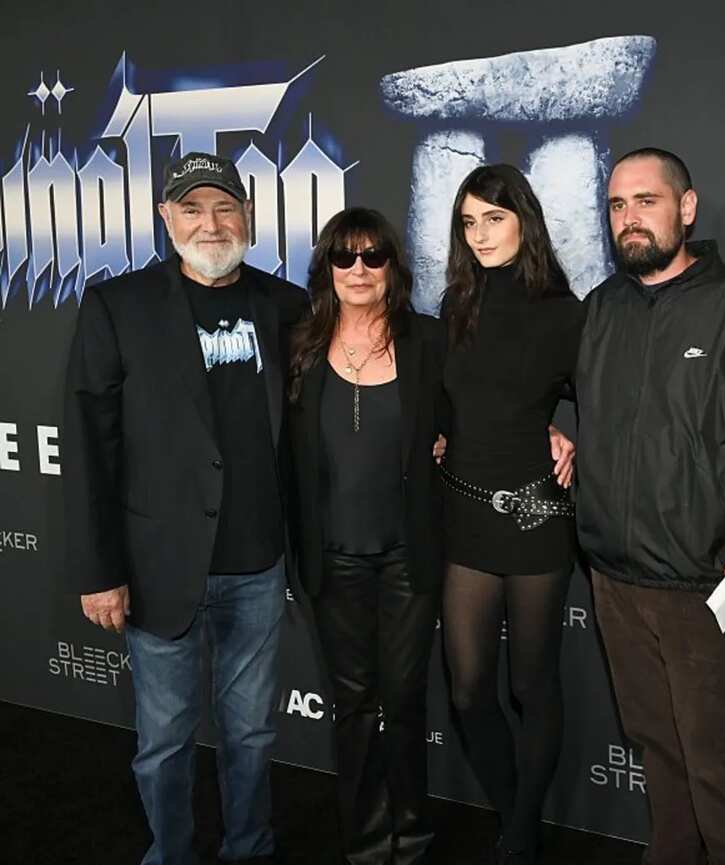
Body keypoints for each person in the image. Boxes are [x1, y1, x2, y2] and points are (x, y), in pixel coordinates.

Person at [64, 152, 307, 865]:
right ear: (166, 218)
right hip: (158, 567)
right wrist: (99, 571)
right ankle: (171, 854)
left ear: (249, 217)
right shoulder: (118, 305)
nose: (211, 223)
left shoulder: (287, 305)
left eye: (225, 207)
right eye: (193, 209)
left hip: (258, 564)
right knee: (165, 740)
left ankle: (249, 847)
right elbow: (89, 445)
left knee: (252, 733)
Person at [574, 147, 725, 865]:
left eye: (646, 201)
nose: (629, 218)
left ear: (686, 207)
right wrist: (551, 430)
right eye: (617, 205)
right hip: (614, 578)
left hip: (707, 582)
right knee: (658, 751)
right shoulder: (601, 308)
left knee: (717, 764)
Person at [286, 207, 446, 865]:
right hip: (332, 558)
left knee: (403, 698)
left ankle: (411, 831)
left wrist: (546, 429)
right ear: (326, 267)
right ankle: (365, 837)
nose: (358, 269)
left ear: (392, 267)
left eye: (373, 256)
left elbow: (481, 411)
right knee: (352, 704)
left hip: (408, 554)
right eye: (344, 256)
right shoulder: (298, 345)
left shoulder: (427, 340)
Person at [436, 164, 584, 865]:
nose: (480, 234)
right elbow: (447, 402)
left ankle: (521, 832)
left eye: (493, 218)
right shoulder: (455, 305)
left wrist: (570, 434)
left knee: (531, 683)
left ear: (524, 219)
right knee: (468, 689)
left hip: (534, 514)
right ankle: (511, 807)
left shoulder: (564, 311)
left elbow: (605, 401)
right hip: (466, 512)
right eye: (468, 222)